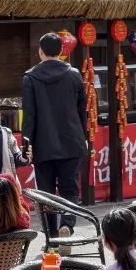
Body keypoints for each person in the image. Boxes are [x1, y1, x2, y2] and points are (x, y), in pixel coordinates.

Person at [22, 33, 88, 240]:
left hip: (43, 145)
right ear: (61, 51)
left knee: (46, 194)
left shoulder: (31, 77)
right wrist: (83, 137)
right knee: (70, 190)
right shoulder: (74, 74)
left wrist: (26, 146)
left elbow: (29, 115)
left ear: (40, 51)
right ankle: (66, 225)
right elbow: (82, 109)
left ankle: (51, 238)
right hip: (72, 142)